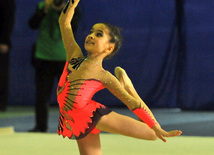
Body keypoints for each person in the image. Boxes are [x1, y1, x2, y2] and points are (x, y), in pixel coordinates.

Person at [57, 0, 182, 154]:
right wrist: (73, 3)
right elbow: (64, 23)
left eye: (99, 34)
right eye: (91, 31)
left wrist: (156, 127)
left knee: (152, 134)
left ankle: (129, 87)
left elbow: (132, 104)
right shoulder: (74, 56)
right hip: (75, 119)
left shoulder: (104, 76)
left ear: (109, 48)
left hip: (93, 116)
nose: (91, 36)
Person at [28, 0, 81, 132]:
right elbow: (32, 24)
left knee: (68, 96)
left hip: (64, 59)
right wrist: (44, 10)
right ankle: (40, 126)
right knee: (42, 95)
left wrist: (62, 11)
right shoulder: (42, 6)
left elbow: (73, 27)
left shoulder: (72, 9)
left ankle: (71, 127)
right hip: (43, 57)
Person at [0, 0, 16, 112]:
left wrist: (4, 41)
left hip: (1, 43)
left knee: (1, 75)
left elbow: (9, 19)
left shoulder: (8, 2)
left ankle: (1, 104)